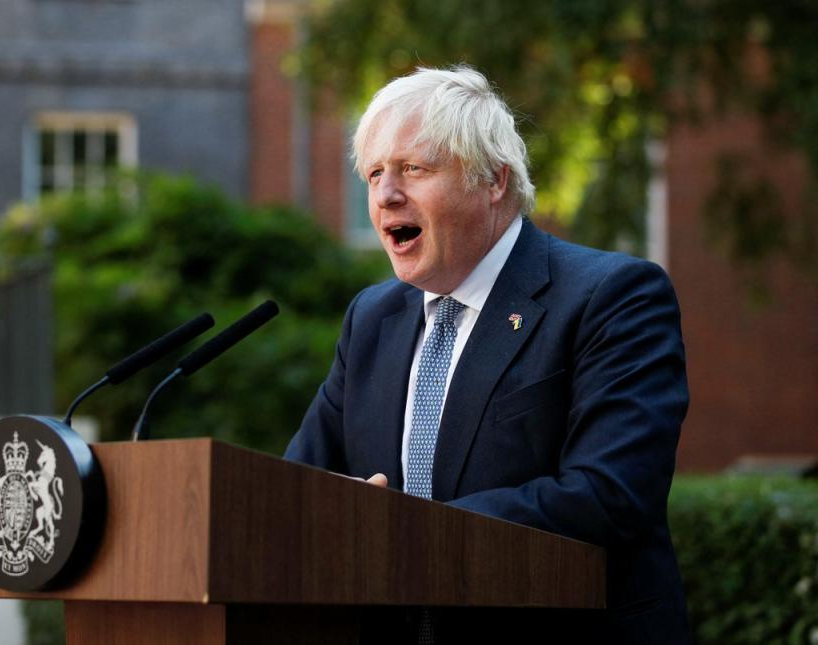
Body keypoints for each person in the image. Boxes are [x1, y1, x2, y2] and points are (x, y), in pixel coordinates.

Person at [285, 66, 691, 643]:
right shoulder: (371, 320)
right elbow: (301, 485)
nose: (385, 195)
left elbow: (610, 495)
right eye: (374, 174)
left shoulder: (613, 296)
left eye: (413, 169)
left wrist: (405, 530)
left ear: (493, 181)